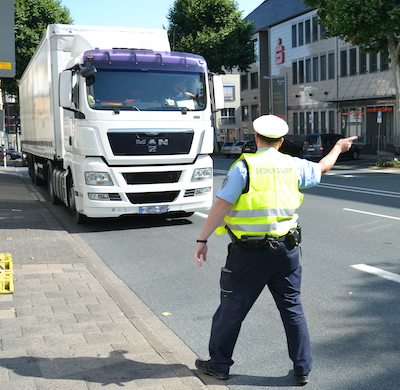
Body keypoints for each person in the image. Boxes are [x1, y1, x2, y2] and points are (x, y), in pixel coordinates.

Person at [194, 115, 357, 386]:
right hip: (287, 251)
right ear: (281, 142)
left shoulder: (244, 166)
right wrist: (338, 148)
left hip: (248, 255)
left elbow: (222, 206)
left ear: (256, 139)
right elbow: (322, 168)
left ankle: (219, 366)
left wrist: (202, 239)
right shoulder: (293, 165)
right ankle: (302, 368)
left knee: (231, 310)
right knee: (292, 308)